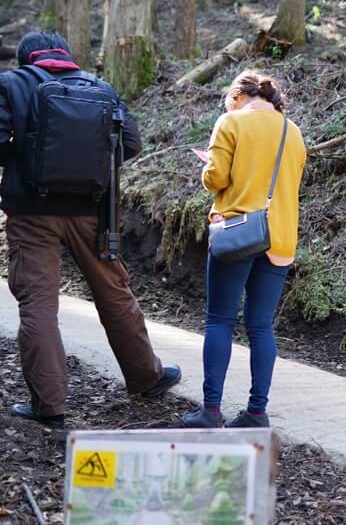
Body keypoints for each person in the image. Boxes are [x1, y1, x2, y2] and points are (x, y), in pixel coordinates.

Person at [1, 31, 181, 430]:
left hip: (32, 214)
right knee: (115, 293)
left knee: (38, 305)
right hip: (93, 212)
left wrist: (26, 154)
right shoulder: (100, 88)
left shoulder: (12, 83)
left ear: (27, 59)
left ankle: (49, 406)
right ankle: (146, 377)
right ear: (67, 56)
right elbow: (130, 143)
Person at [182, 72, 307, 429]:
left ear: (238, 96)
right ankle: (256, 412)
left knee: (220, 320)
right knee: (261, 327)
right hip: (279, 237)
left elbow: (216, 180)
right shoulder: (293, 132)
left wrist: (209, 163)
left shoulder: (231, 122)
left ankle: (210, 410)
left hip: (237, 233)